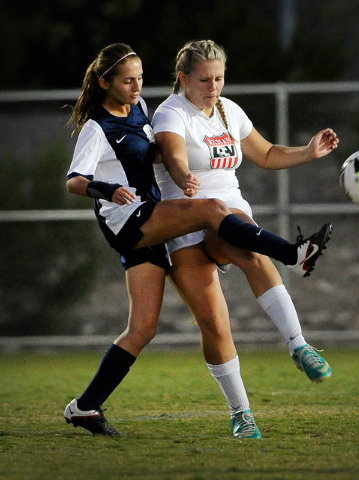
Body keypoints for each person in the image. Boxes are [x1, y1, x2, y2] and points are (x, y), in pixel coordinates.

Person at [63, 43, 333, 438]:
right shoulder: (111, 123)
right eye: (128, 80)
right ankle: (291, 253)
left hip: (154, 219)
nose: (138, 86)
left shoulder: (138, 111)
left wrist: (308, 152)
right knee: (211, 222)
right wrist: (111, 187)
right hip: (137, 220)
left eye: (139, 78)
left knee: (142, 328)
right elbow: (84, 178)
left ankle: (84, 407)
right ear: (105, 83)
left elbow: (153, 154)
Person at [152, 39, 339, 418]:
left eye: (219, 78)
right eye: (204, 80)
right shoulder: (171, 113)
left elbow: (266, 153)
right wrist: (183, 174)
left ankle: (299, 345)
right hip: (183, 217)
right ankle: (242, 414)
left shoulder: (229, 111)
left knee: (246, 244)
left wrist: (307, 152)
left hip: (229, 212)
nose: (213, 87)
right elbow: (172, 153)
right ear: (183, 78)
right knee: (213, 323)